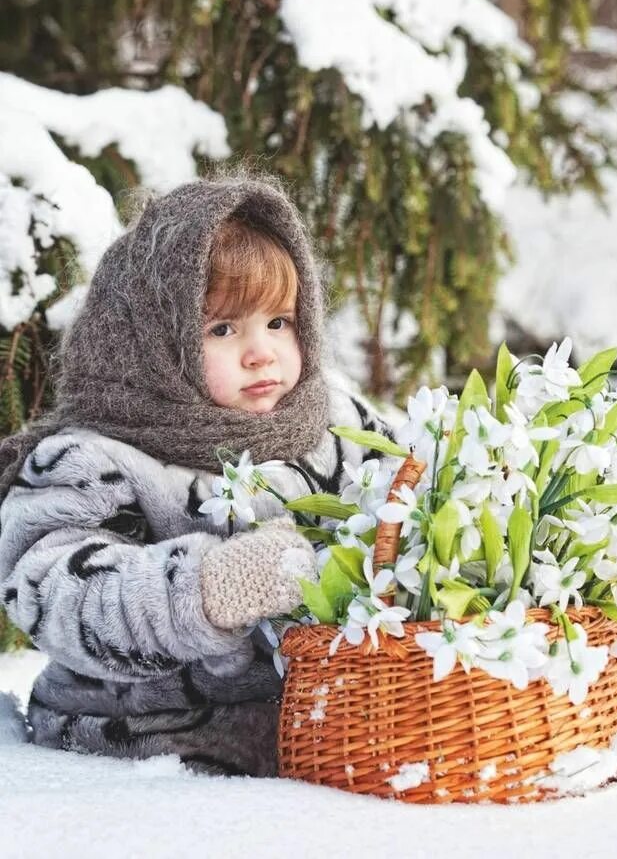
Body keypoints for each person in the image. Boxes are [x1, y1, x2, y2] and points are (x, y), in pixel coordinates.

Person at [0, 172, 394, 776]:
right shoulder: (96, 457)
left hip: (310, 724)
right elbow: (52, 590)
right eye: (222, 329)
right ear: (153, 344)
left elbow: (408, 494)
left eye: (279, 322)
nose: (261, 351)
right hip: (143, 738)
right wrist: (208, 589)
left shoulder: (335, 425)